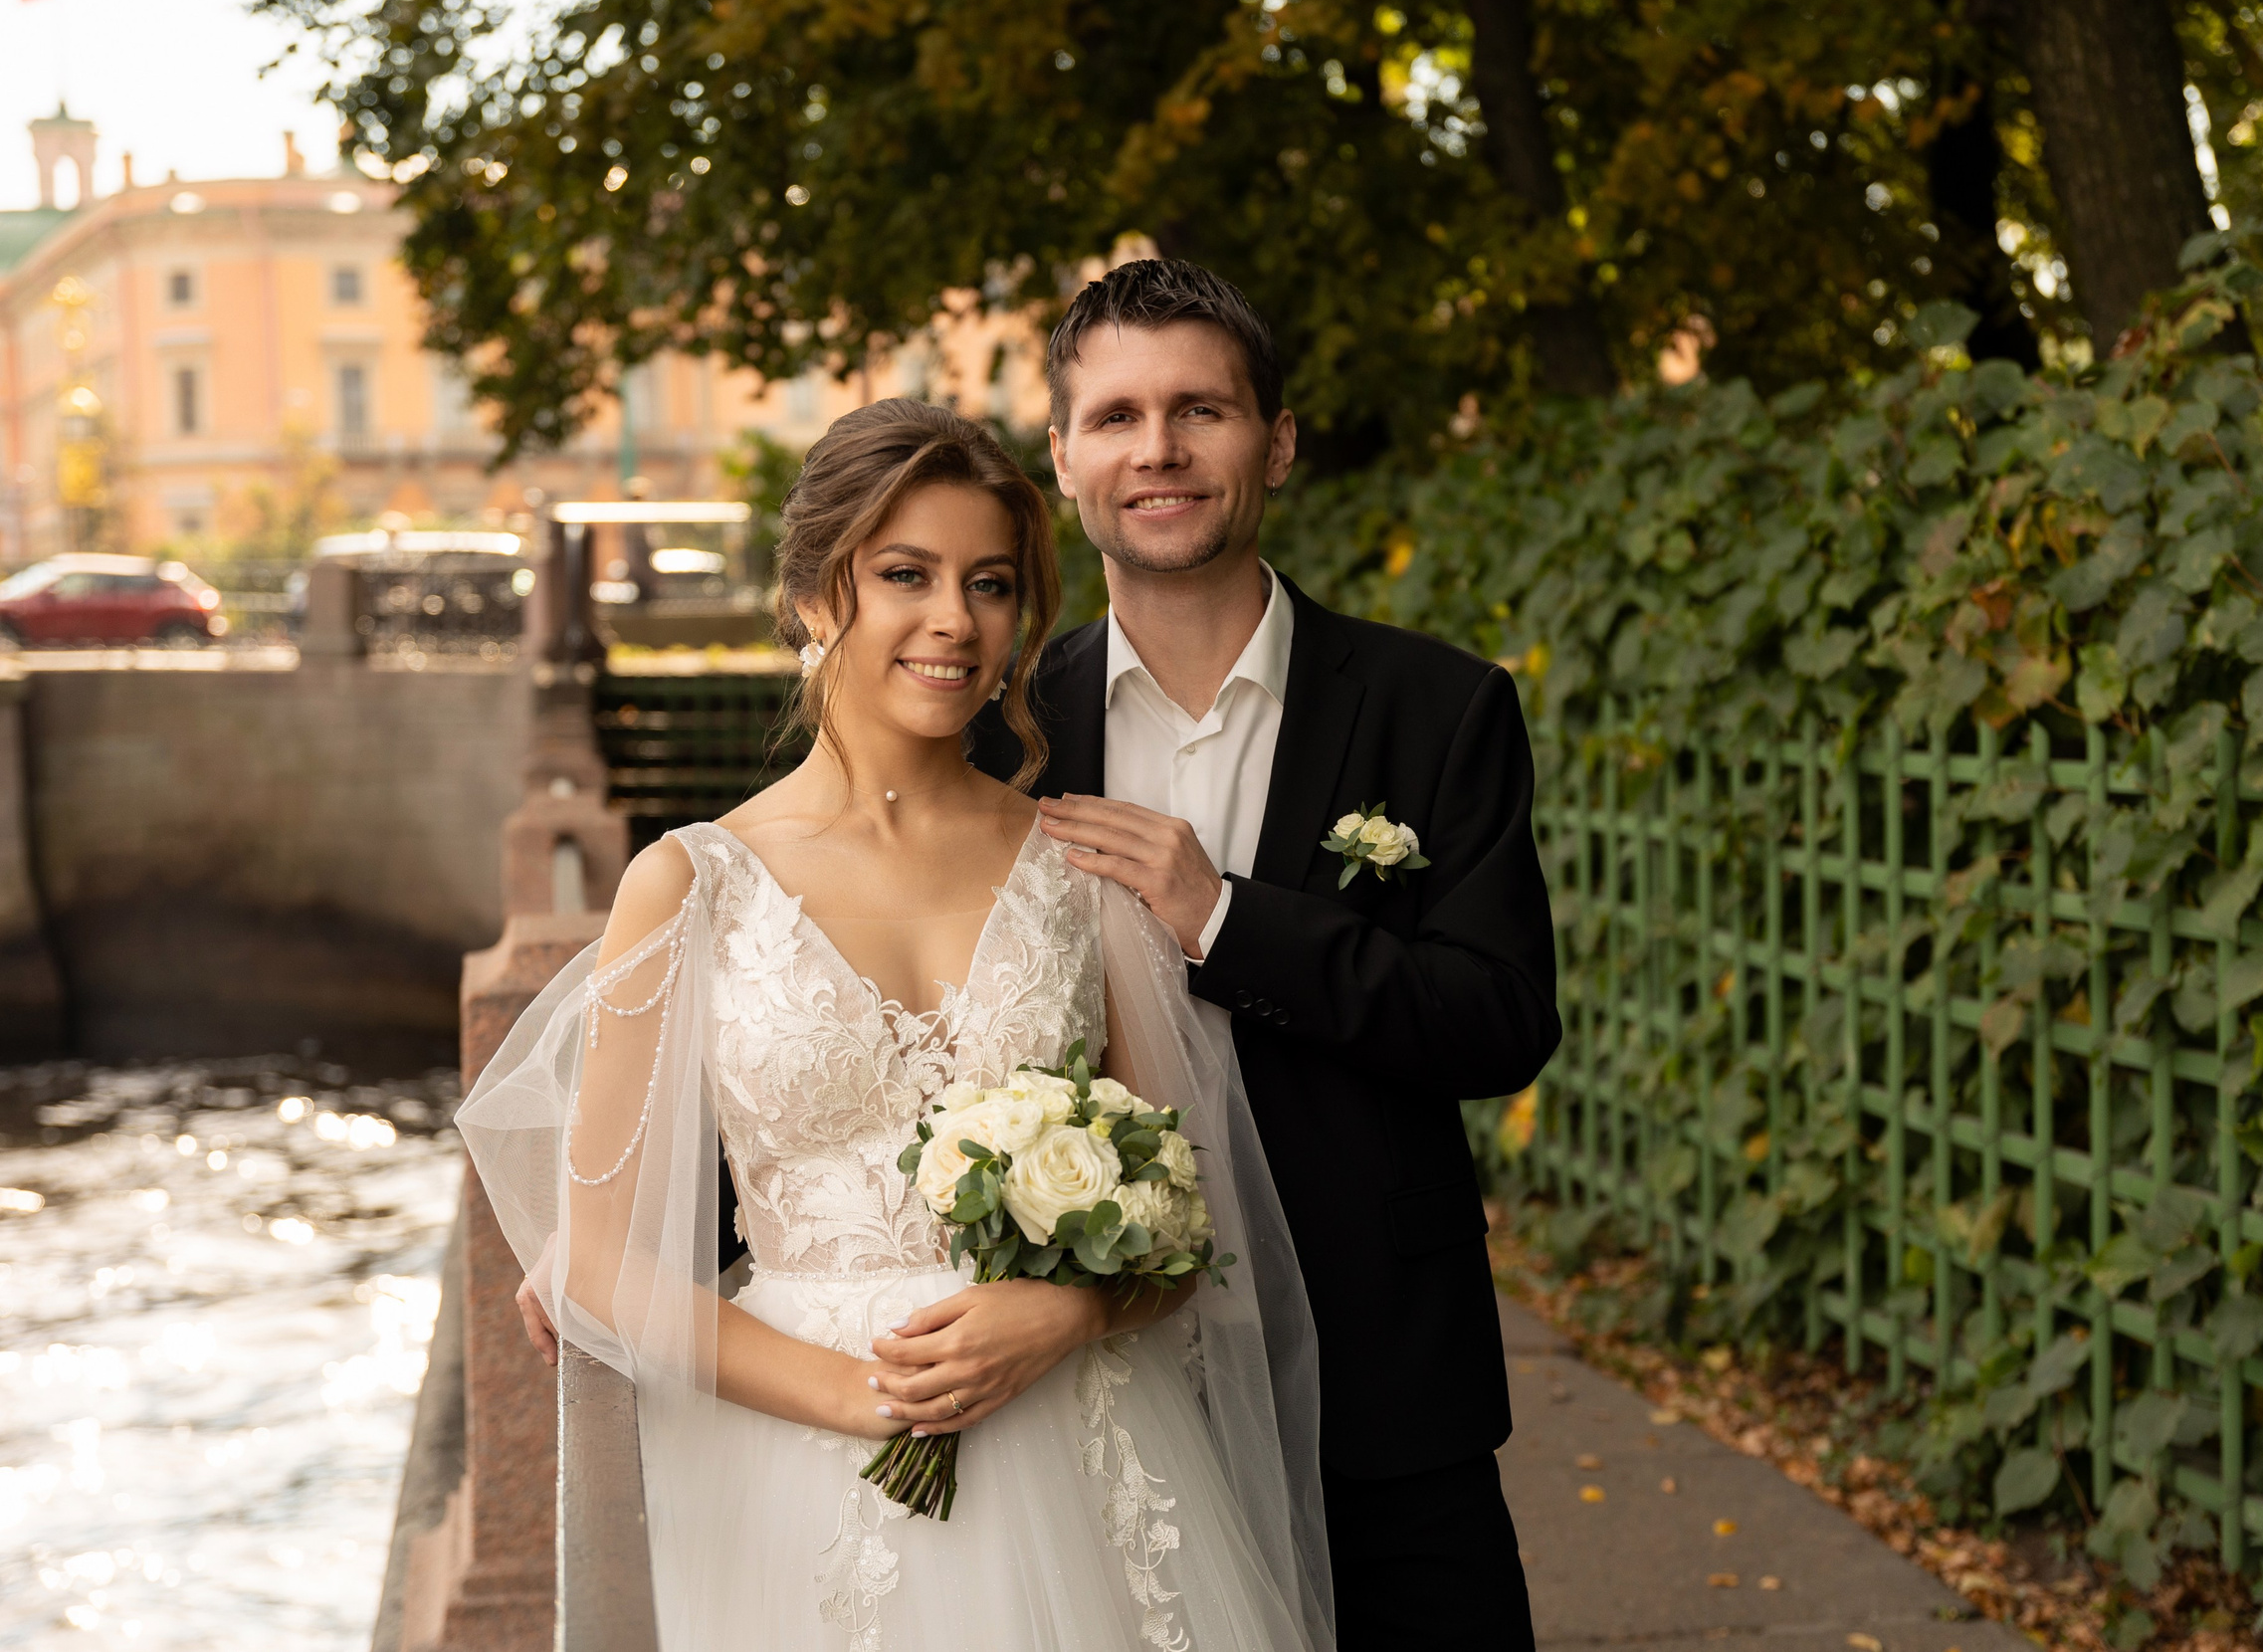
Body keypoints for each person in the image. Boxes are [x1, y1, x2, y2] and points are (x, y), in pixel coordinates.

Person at [466, 398, 1332, 1650]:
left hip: (1075, 1429)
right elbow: (598, 1261)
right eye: (904, 575)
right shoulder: (690, 884)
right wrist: (869, 1393)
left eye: (988, 584)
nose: (954, 622)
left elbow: (1183, 1215)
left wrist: (1074, 1310)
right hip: (793, 1453)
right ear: (821, 594)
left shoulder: (1080, 866)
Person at [964, 259, 1557, 1650]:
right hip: (1092, 1378)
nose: (1157, 449)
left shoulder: (1440, 705)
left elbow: (1497, 1018)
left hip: (1383, 1377)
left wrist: (1225, 915)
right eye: (1114, 417)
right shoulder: (995, 734)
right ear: (1064, 458)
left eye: (1201, 410)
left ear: (1275, 441)